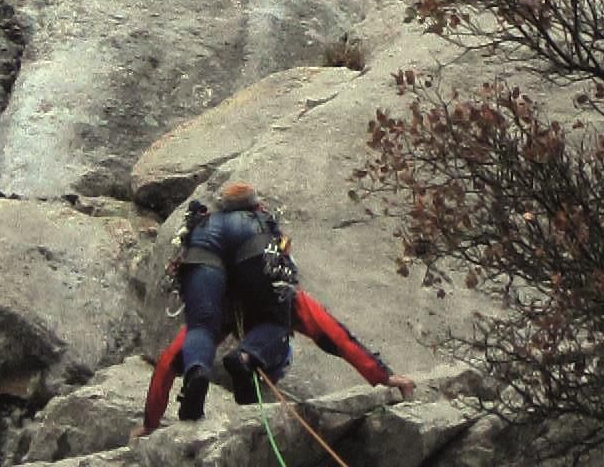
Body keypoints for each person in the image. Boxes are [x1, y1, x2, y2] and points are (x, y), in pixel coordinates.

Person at [132, 179, 415, 437]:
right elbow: (333, 333)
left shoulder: (210, 234)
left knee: (201, 330)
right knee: (276, 325)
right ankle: (246, 358)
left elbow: (168, 360)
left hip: (203, 242)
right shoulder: (271, 260)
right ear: (256, 206)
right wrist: (382, 375)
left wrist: (150, 423)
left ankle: (197, 371)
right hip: (254, 241)